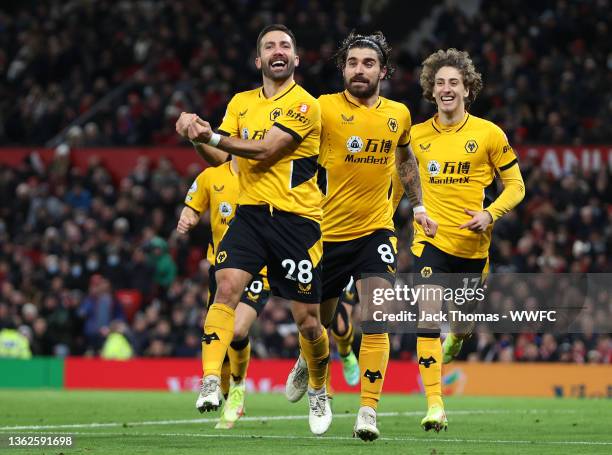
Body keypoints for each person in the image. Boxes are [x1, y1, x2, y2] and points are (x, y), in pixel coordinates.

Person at [175, 24, 331, 435]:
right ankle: (211, 380)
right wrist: (195, 137)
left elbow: (265, 151)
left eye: (285, 46)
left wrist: (212, 133)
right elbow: (223, 159)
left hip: (297, 221)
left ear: (296, 59)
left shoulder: (305, 105)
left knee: (309, 323)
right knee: (225, 287)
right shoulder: (241, 103)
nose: (277, 51)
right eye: (269, 47)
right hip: (250, 216)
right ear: (258, 60)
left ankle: (318, 387)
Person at [284, 31, 436, 441]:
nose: (359, 70)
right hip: (326, 233)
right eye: (352, 63)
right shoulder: (323, 108)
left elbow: (405, 159)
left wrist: (417, 205)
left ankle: (368, 411)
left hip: (376, 230)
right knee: (320, 320)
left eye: (368, 63)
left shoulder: (399, 115)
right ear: (343, 68)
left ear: (383, 70)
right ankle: (307, 360)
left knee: (377, 318)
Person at [410, 48, 525, 432]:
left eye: (453, 83)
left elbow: (516, 186)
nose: (446, 89)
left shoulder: (489, 134)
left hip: (473, 249)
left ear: (467, 89)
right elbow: (400, 187)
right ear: (431, 89)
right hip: (429, 243)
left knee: (459, 326)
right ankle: (435, 405)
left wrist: (490, 214)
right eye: (440, 82)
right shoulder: (416, 137)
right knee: (427, 319)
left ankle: (457, 339)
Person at [177, 155, 271, 429]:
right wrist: (188, 217)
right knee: (222, 337)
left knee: (238, 331)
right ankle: (229, 396)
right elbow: (192, 207)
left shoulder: (266, 175)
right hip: (221, 270)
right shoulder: (211, 176)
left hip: (259, 270)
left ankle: (238, 386)